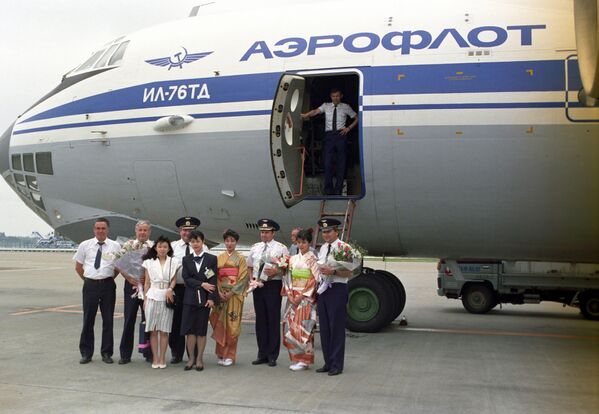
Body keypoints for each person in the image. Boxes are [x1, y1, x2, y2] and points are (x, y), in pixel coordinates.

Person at [73, 218, 121, 364]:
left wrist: (106, 278)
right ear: (94, 230)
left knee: (108, 320)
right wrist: (89, 280)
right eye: (98, 228)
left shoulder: (115, 246)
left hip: (107, 285)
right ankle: (86, 353)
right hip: (90, 286)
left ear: (108, 230)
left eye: (103, 228)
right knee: (88, 319)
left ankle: (106, 353)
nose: (100, 231)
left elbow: (118, 267)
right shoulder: (85, 245)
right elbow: (78, 267)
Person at [246, 218, 289, 367]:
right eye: (262, 232)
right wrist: (251, 280)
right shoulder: (255, 247)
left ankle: (272, 355)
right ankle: (262, 353)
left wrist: (276, 270)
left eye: (266, 232)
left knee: (272, 319)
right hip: (258, 285)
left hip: (272, 285)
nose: (263, 235)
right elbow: (250, 266)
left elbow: (286, 269)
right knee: (261, 320)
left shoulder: (281, 248)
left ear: (273, 233)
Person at [301, 88, 358, 195]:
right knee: (327, 163)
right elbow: (316, 111)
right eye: (333, 96)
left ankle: (338, 190)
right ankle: (328, 189)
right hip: (329, 136)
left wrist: (348, 128)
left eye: (337, 96)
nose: (335, 98)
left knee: (341, 164)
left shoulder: (345, 107)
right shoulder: (326, 106)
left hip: (341, 135)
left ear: (341, 96)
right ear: (330, 97)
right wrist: (306, 115)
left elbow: (356, 118)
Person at [315, 218, 353, 376]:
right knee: (324, 327)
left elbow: (349, 272)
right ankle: (328, 362)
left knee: (336, 327)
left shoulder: (344, 247)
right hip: (323, 289)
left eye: (329, 231)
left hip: (337, 288)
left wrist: (334, 272)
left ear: (336, 231)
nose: (326, 234)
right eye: (324, 232)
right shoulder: (323, 248)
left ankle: (337, 364)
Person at [169, 216, 208, 363]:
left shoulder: (202, 247)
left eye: (190, 230)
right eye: (184, 230)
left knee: (195, 323)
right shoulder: (171, 247)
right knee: (177, 322)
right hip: (178, 289)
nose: (187, 233)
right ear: (180, 231)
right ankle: (176, 353)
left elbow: (209, 270)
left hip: (196, 290)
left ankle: (195, 355)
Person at [180, 229, 218, 371]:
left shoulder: (211, 259)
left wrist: (212, 298)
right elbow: (186, 278)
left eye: (198, 241)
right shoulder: (186, 259)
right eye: (193, 241)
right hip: (190, 298)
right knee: (190, 330)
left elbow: (213, 279)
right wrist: (201, 284)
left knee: (201, 330)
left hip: (204, 299)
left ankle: (200, 358)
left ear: (203, 242)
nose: (195, 244)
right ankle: (190, 358)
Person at [116, 220, 153, 365]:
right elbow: (118, 264)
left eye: (145, 230)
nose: (143, 233)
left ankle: (148, 353)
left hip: (148, 287)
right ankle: (125, 354)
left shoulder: (153, 247)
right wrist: (130, 278)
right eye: (140, 230)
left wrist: (147, 280)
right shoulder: (128, 245)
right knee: (129, 320)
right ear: (136, 231)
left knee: (148, 320)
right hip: (131, 286)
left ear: (149, 232)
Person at [282, 229, 320, 371]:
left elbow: (314, 280)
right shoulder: (292, 259)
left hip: (306, 299)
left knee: (304, 328)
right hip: (293, 296)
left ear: (309, 243)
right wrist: (290, 294)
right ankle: (297, 359)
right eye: (299, 242)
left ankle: (304, 360)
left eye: (304, 242)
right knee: (291, 328)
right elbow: (288, 278)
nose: (301, 245)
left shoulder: (313, 260)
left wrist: (301, 296)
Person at [209, 229, 248, 366]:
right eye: (227, 241)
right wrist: (218, 291)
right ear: (224, 242)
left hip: (234, 295)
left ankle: (230, 354)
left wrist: (232, 292)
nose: (229, 243)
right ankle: (221, 353)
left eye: (232, 241)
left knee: (232, 324)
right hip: (221, 293)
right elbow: (213, 275)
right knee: (217, 321)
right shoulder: (218, 258)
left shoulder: (241, 258)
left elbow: (243, 278)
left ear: (236, 242)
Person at [141, 236, 180, 369]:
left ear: (168, 248)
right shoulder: (149, 262)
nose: (162, 249)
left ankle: (163, 358)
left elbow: (174, 279)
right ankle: (155, 358)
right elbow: (146, 282)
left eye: (165, 247)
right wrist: (145, 300)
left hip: (166, 295)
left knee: (164, 330)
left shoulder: (173, 262)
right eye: (160, 246)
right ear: (155, 248)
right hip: (152, 294)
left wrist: (170, 289)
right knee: (152, 330)